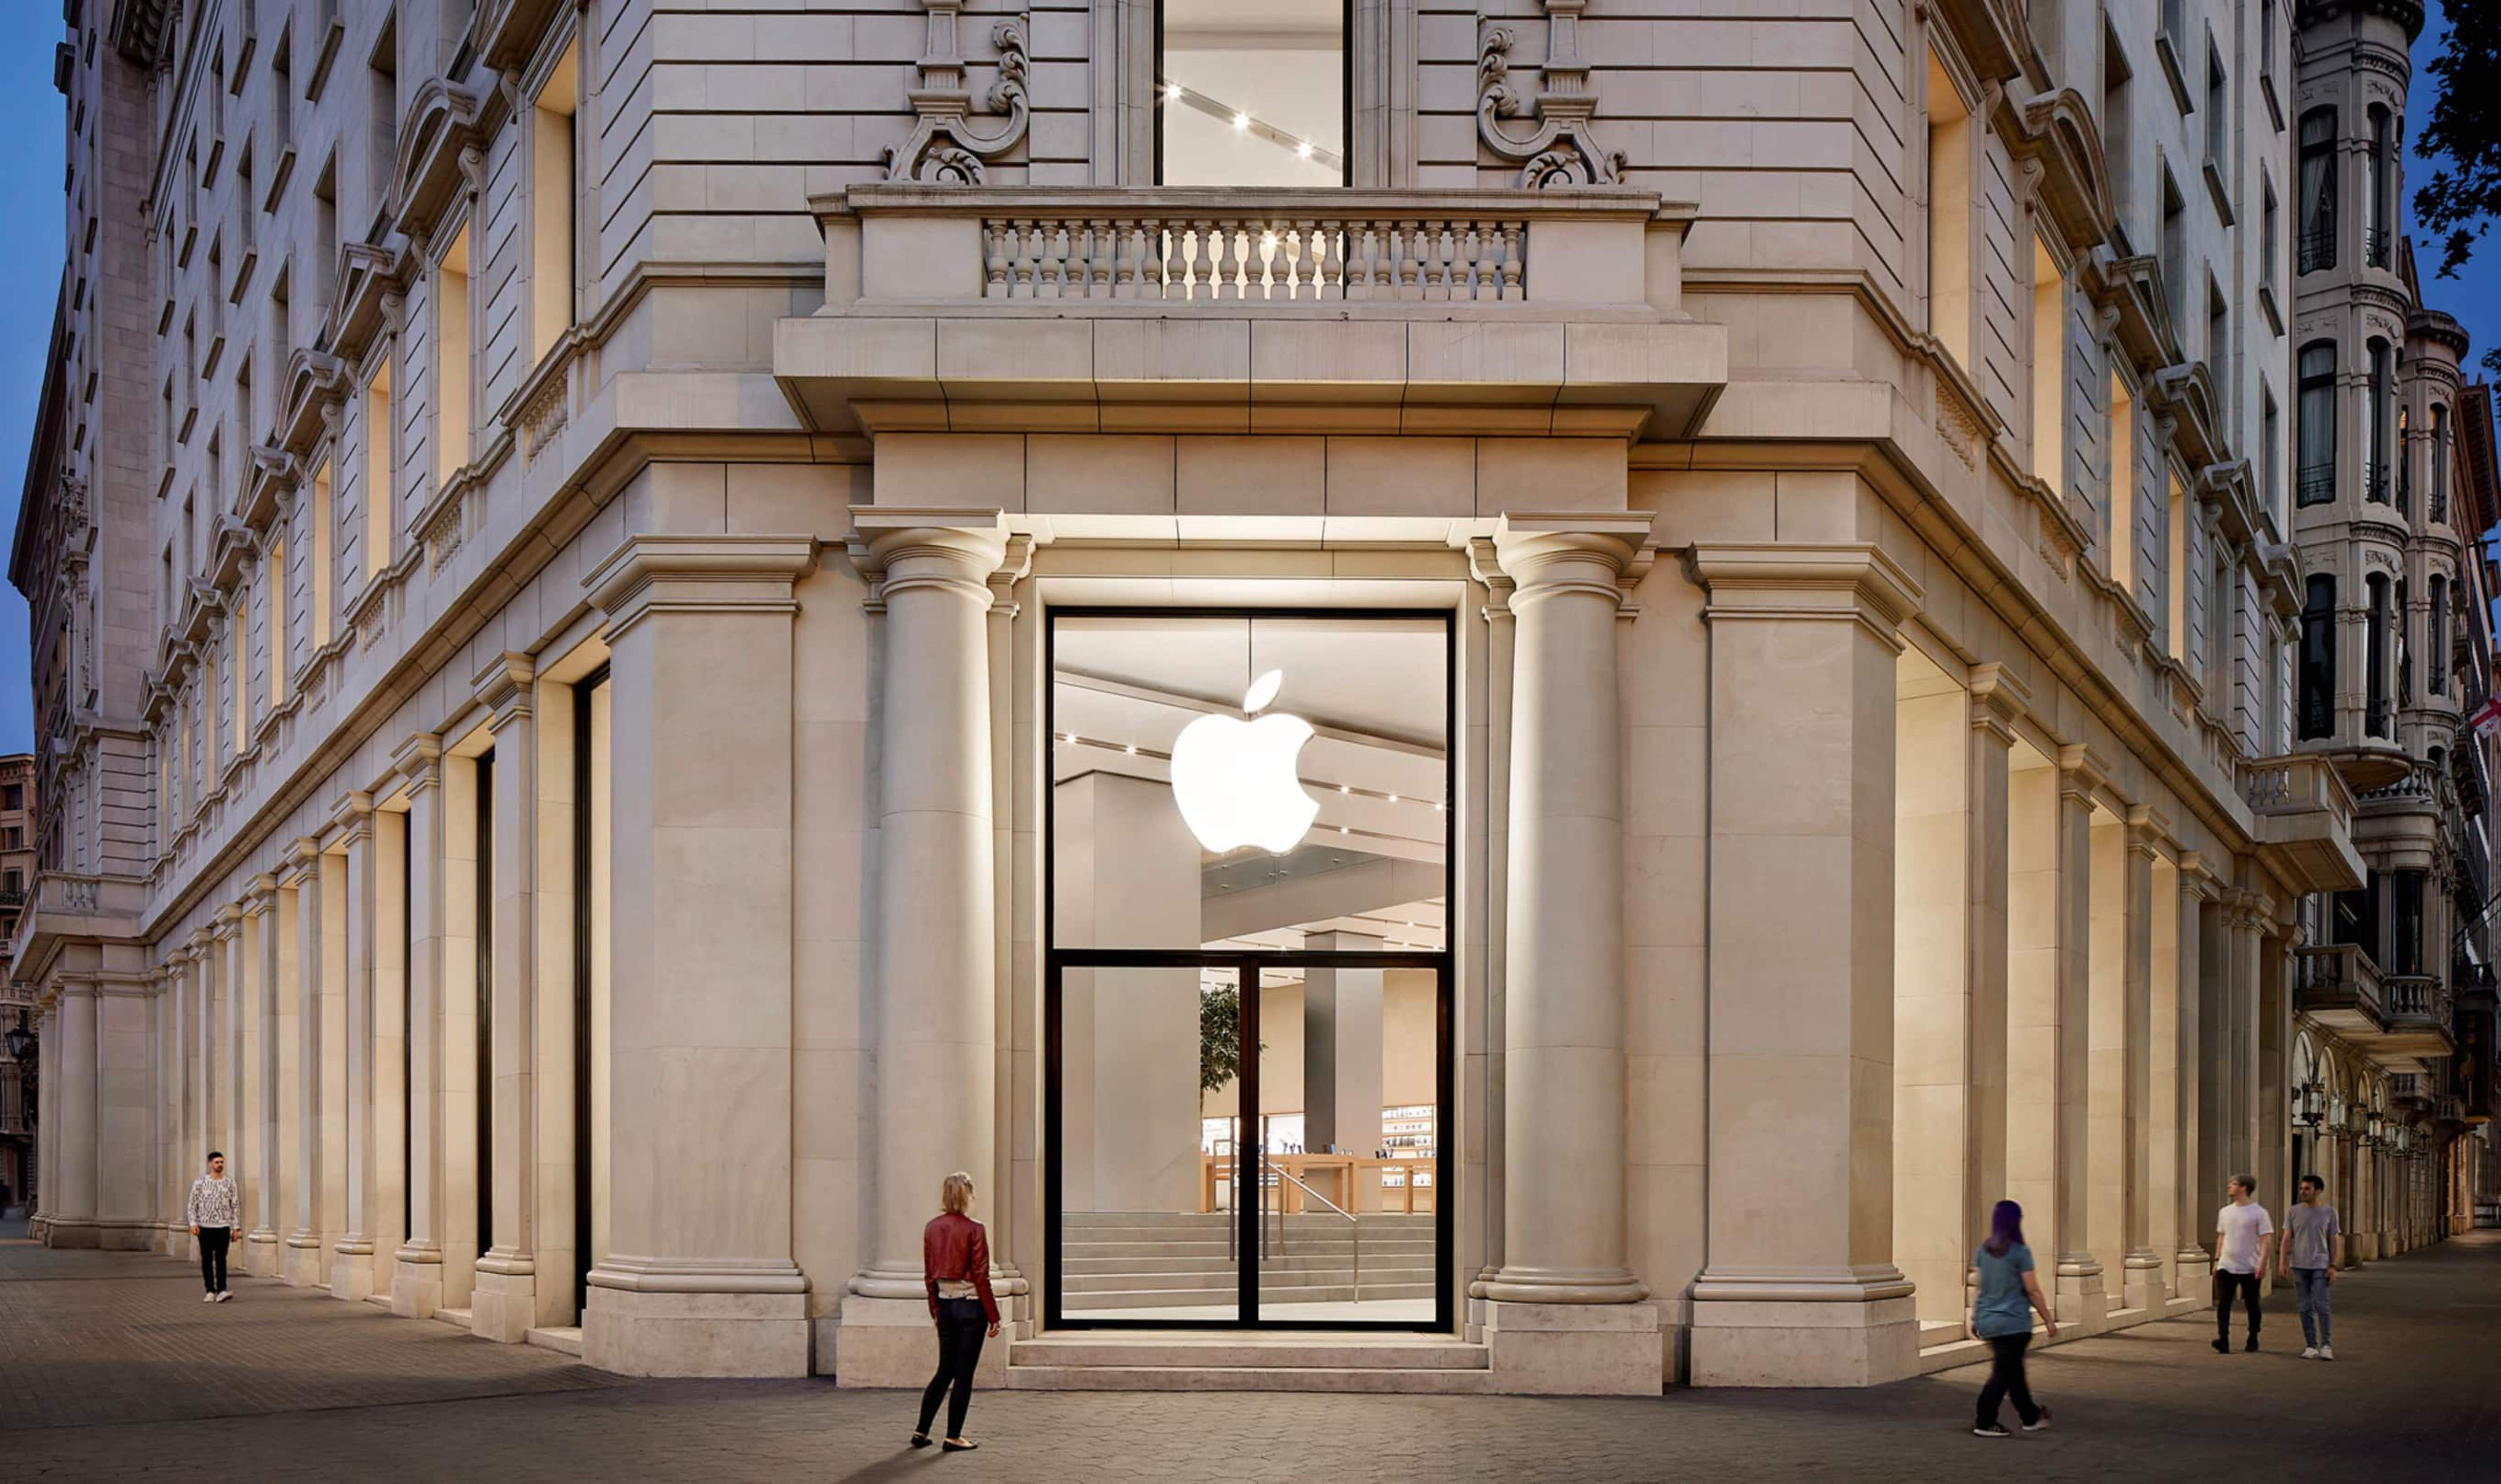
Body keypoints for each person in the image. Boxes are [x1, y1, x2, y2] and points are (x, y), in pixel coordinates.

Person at [912, 1171, 1000, 1454]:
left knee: (944, 1371)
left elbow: (929, 1276)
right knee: (964, 1375)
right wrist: (994, 1316)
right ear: (969, 1195)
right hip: (972, 1308)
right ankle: (953, 1436)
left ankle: (921, 1430)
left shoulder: (932, 1228)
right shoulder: (975, 1229)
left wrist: (935, 1310)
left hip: (946, 1307)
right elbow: (981, 1275)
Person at [1969, 1199, 2058, 1438]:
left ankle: (2030, 1416)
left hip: (1989, 1320)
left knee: (2013, 1372)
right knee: (2003, 1373)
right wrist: (2048, 1319)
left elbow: (1980, 1288)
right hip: (2013, 1323)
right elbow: (2032, 1290)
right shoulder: (2020, 1253)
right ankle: (1985, 1421)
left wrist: (1975, 1317)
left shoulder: (1983, 1251)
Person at [2279, 1173, 2342, 1360]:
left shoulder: (2330, 1212)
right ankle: (2310, 1345)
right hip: (2299, 1265)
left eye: (2307, 1189)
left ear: (2318, 1191)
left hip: (2321, 1265)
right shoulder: (2294, 1211)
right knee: (2304, 1306)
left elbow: (2334, 1239)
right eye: (2302, 1188)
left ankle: (2326, 1345)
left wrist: (2333, 1265)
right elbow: (2286, 1238)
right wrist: (2282, 1262)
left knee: (2322, 1305)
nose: (2303, 1192)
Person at [2213, 1173, 2275, 1353]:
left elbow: (2266, 1240)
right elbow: (2221, 1236)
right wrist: (2217, 1260)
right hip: (2227, 1265)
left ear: (2244, 1188)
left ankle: (2253, 1337)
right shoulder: (2225, 1212)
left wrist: (2262, 1264)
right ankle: (2223, 1339)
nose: (2230, 1187)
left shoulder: (2259, 1213)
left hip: (2250, 1266)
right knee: (2224, 1304)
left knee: (2252, 1305)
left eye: (2233, 1184)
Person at [186, 1151, 239, 1303]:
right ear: (210, 1164)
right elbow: (192, 1204)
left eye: (222, 1162)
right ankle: (210, 1291)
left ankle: (222, 1290)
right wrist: (193, 1223)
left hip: (223, 1226)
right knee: (207, 1260)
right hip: (205, 1227)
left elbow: (235, 1205)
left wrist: (236, 1228)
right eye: (217, 1162)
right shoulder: (200, 1182)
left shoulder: (230, 1183)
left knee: (221, 1259)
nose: (220, 1165)